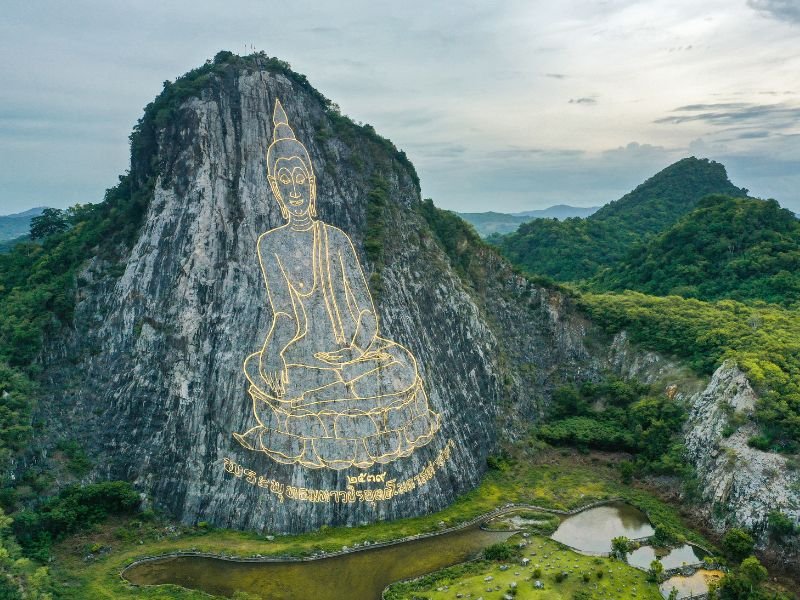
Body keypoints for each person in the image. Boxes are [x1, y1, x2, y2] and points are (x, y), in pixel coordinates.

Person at [233, 100, 439, 470]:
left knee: (398, 365)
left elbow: (366, 312)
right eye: (285, 181)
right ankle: (338, 411)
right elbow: (285, 316)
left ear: (311, 182)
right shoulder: (271, 243)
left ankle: (336, 405)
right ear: (273, 186)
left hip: (351, 355)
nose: (294, 190)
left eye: (300, 180)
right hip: (304, 358)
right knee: (270, 373)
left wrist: (356, 349)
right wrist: (271, 355)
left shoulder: (336, 238)